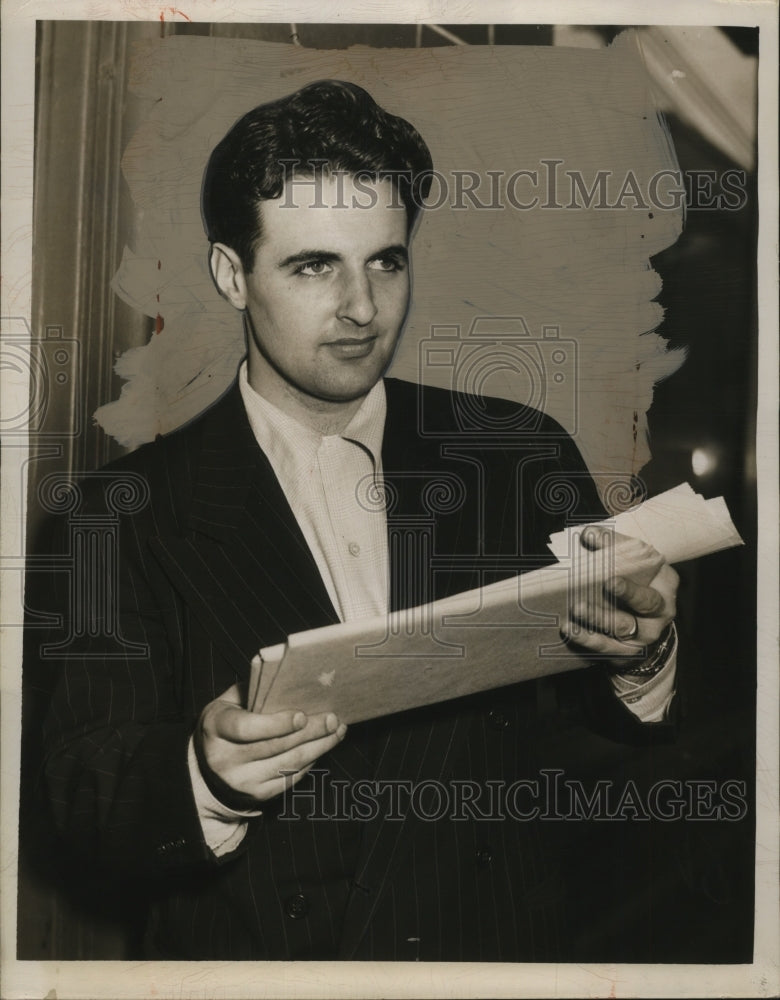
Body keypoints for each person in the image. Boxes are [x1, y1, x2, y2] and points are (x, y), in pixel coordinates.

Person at [27, 80, 679, 961]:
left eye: (386, 260)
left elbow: (609, 731)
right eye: (313, 266)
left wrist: (640, 653)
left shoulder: (516, 452)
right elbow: (78, 798)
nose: (363, 308)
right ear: (232, 275)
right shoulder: (113, 517)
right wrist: (204, 776)